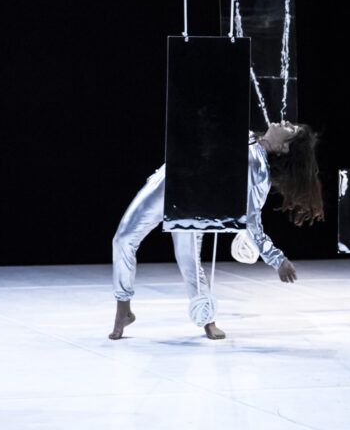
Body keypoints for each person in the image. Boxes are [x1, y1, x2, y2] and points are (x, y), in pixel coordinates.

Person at [109, 121, 323, 340]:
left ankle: (208, 319)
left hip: (192, 203)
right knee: (122, 239)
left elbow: (252, 221)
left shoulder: (259, 170)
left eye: (292, 129)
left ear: (284, 147)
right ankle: (124, 309)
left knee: (189, 263)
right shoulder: (248, 135)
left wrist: (277, 259)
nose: (286, 122)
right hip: (170, 179)